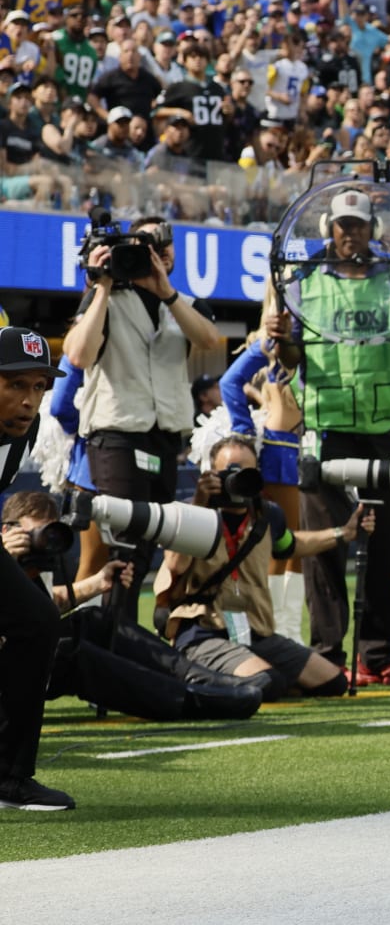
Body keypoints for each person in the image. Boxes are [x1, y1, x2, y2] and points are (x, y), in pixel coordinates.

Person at [275, 188, 390, 686]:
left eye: (359, 225)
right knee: (325, 546)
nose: (351, 233)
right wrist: (281, 342)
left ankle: (377, 656)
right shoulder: (303, 286)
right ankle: (328, 655)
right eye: (343, 225)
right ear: (329, 232)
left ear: (372, 230)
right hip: (327, 425)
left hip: (386, 427)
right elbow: (291, 360)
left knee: (386, 545)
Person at [63, 216, 225, 618]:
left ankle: (120, 638)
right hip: (117, 435)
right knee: (124, 545)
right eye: (144, 244)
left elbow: (208, 340)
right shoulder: (106, 298)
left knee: (149, 543)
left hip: (165, 438)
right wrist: (100, 285)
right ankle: (112, 640)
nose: (155, 251)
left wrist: (165, 291)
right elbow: (78, 356)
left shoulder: (183, 302)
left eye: (163, 244)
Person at [4, 491, 263, 724]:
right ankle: (191, 700)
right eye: (35, 534)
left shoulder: (32, 568)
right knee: (71, 655)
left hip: (22, 659)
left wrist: (97, 583)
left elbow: (41, 610)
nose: (44, 543)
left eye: (50, 533)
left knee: (95, 620)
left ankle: (201, 679)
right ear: (6, 531)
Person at [157, 434, 363, 699]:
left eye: (246, 472)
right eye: (229, 472)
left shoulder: (267, 515)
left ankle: (239, 673)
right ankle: (200, 672)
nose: (237, 479)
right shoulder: (189, 513)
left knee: (333, 683)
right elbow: (175, 565)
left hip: (253, 631)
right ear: (211, 473)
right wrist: (200, 502)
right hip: (202, 630)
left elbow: (291, 546)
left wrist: (343, 533)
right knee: (267, 683)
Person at [0, 327, 74, 809]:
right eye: (15, 385)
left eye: (39, 387)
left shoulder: (19, 437)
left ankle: (9, 777)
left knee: (39, 621)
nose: (30, 401)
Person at [216, 289, 306, 641]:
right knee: (286, 543)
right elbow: (229, 382)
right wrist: (242, 432)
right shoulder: (270, 342)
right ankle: (282, 630)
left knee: (281, 543)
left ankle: (279, 628)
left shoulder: (298, 341)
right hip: (282, 449)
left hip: (289, 448)